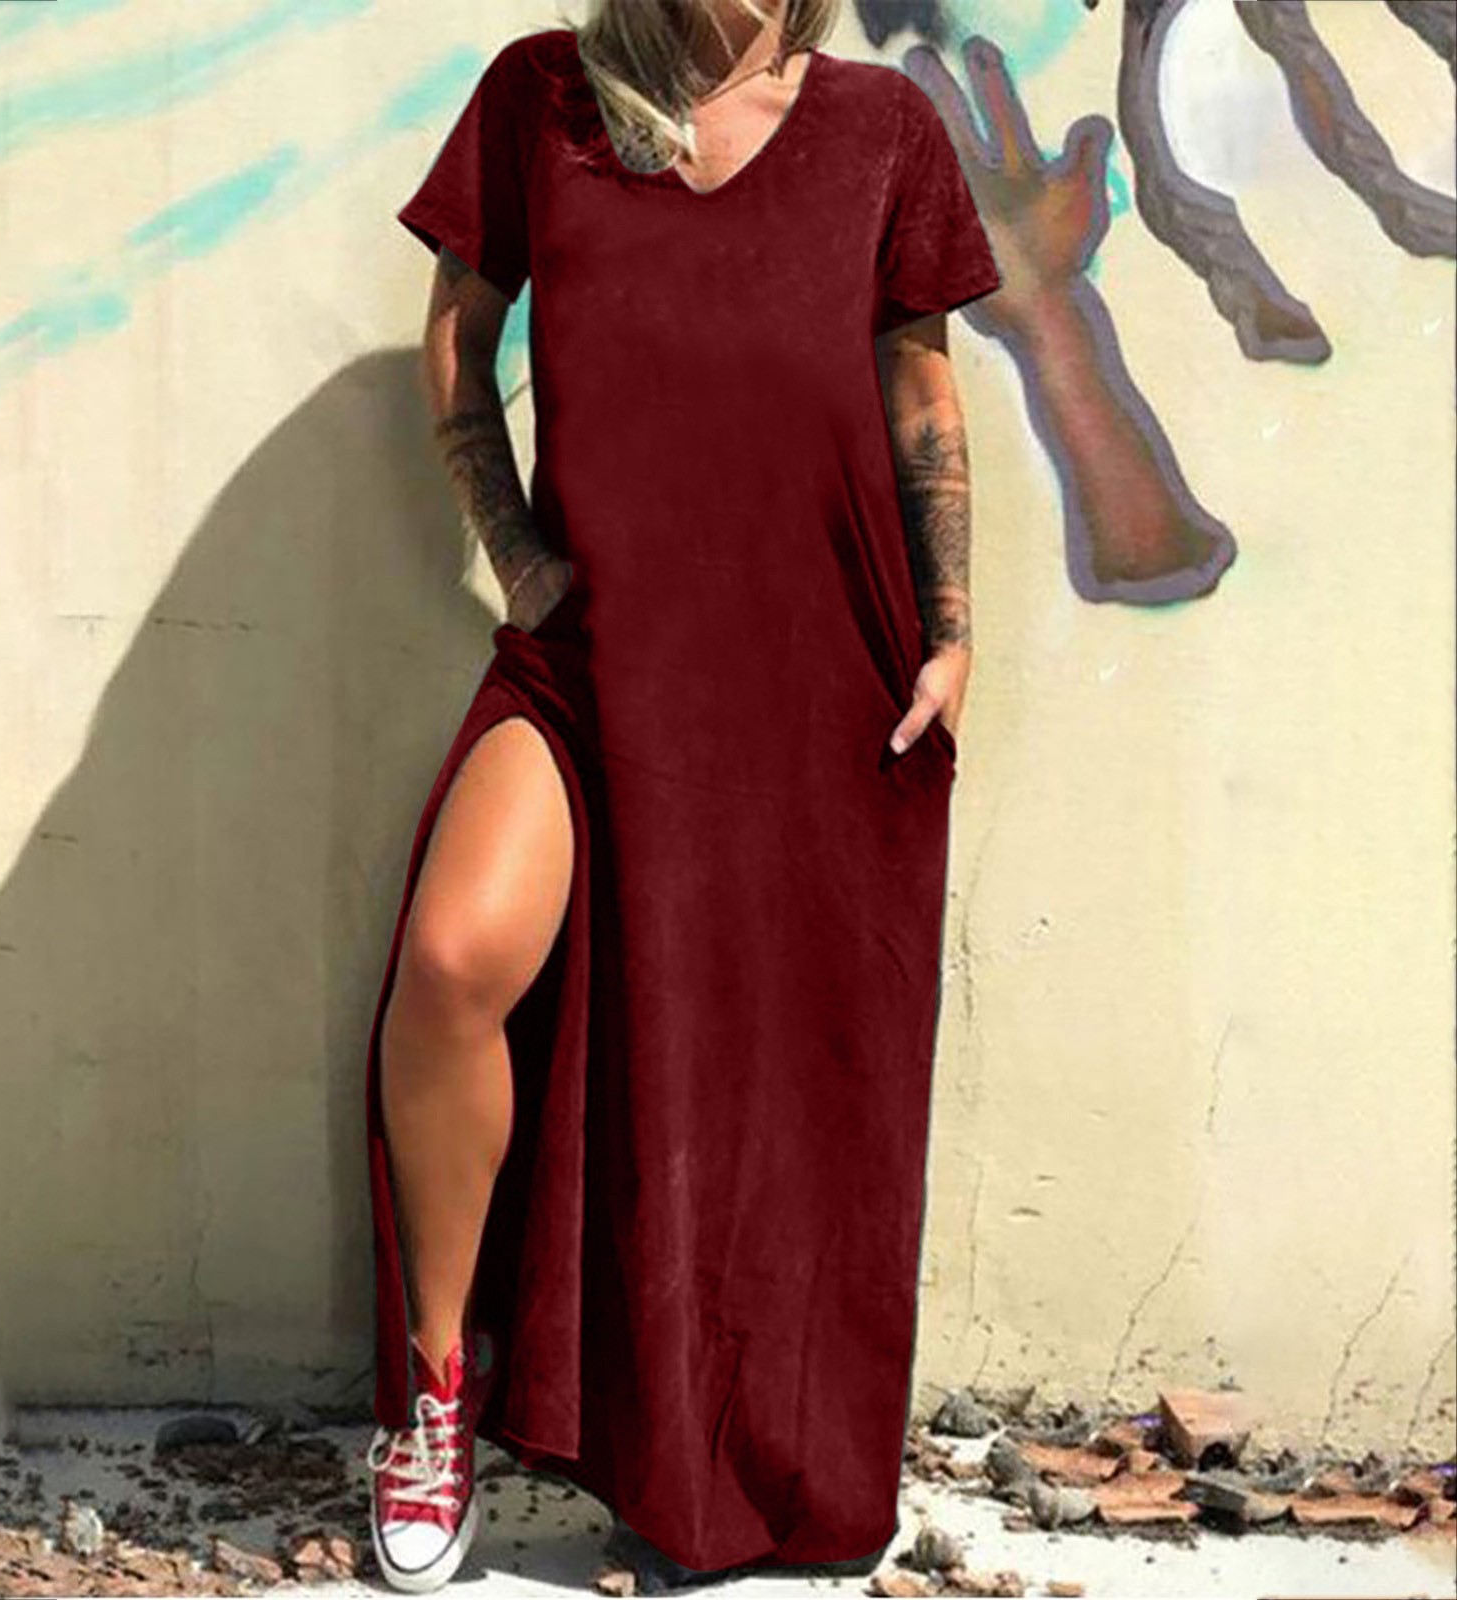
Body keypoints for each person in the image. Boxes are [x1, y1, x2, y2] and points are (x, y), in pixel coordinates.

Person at [364, 0, 1002, 1591]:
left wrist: (951, 630)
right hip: (591, 659)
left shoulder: (881, 132)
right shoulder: (546, 100)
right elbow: (458, 332)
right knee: (453, 962)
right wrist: (515, 555)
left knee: (773, 1088)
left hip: (813, 673)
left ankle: (726, 1455)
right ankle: (434, 1393)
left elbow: (920, 383)